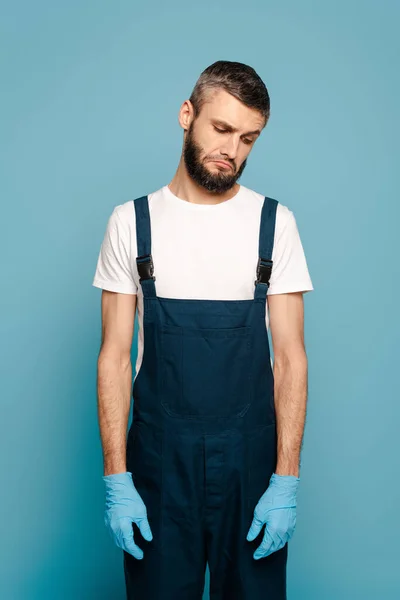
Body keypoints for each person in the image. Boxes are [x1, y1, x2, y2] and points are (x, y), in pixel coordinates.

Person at [92, 60, 314, 600]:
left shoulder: (274, 222)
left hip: (251, 466)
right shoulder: (132, 222)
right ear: (186, 115)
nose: (232, 150)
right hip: (160, 468)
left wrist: (285, 480)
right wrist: (117, 479)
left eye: (248, 139)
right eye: (221, 129)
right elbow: (115, 357)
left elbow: (290, 359)